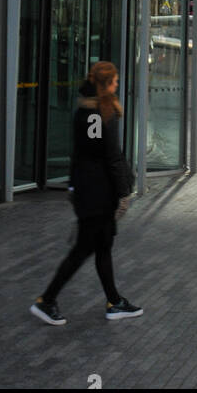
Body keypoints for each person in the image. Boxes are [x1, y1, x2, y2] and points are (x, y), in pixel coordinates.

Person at [31, 61, 142, 326]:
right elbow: (112, 157)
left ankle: (114, 302)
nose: (117, 84)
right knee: (83, 249)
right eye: (114, 80)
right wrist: (124, 193)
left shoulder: (84, 112)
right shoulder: (104, 114)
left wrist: (72, 185)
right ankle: (46, 300)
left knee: (102, 246)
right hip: (99, 195)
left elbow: (81, 154)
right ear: (106, 84)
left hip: (87, 192)